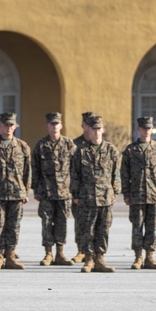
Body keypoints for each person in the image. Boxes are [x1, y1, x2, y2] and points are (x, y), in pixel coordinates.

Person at [0, 112, 32, 270]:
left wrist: (25, 191)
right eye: (5, 125)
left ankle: (10, 255)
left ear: (15, 127)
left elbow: (27, 172)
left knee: (14, 226)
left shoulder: (22, 146)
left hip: (16, 194)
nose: (8, 128)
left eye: (11, 125)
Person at [70, 114, 121, 273]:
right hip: (87, 198)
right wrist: (76, 195)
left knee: (103, 230)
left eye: (99, 128)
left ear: (103, 130)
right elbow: (75, 174)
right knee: (87, 230)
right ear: (89, 131)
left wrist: (115, 191)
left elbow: (116, 173)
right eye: (93, 129)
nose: (97, 131)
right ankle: (89, 260)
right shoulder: (81, 151)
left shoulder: (111, 149)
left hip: (106, 198)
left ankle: (100, 259)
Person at [121, 115, 156, 270]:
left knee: (152, 227)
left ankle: (150, 257)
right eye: (144, 128)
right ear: (138, 129)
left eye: (149, 128)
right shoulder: (130, 150)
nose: (147, 131)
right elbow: (124, 174)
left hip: (154, 195)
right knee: (137, 227)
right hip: (136, 195)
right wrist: (126, 194)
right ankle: (138, 257)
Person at [31, 112, 75, 266]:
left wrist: (75, 189)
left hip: (65, 192)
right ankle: (48, 253)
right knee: (47, 223)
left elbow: (75, 169)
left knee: (62, 222)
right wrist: (36, 189)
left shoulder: (69, 145)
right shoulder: (41, 145)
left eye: (57, 124)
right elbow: (34, 169)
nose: (54, 127)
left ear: (61, 126)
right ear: (47, 126)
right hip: (46, 192)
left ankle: (60, 253)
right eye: (52, 124)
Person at [69, 112, 95, 263]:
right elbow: (71, 170)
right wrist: (74, 191)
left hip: (98, 193)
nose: (89, 128)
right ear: (83, 125)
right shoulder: (75, 145)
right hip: (80, 192)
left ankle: (93, 253)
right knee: (80, 222)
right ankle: (81, 250)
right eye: (87, 124)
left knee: (96, 225)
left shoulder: (101, 144)